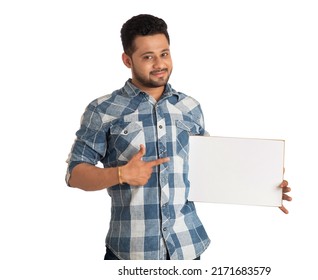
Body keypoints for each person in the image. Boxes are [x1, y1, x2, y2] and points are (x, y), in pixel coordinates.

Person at [65, 14, 292, 260]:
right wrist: (121, 174)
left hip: (188, 248)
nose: (159, 64)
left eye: (164, 53)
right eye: (148, 57)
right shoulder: (103, 110)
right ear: (127, 60)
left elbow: (212, 170)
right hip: (130, 253)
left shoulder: (189, 107)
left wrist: (264, 186)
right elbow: (74, 174)